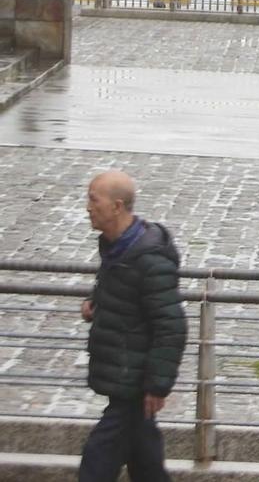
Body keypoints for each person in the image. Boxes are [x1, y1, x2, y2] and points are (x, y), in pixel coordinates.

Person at [78, 170, 186, 482]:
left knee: (96, 464)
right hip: (127, 376)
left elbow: (172, 324)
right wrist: (95, 304)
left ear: (117, 206)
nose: (87, 207)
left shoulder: (149, 259)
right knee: (147, 465)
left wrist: (157, 384)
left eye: (93, 200)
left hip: (134, 382)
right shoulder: (117, 248)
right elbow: (123, 295)